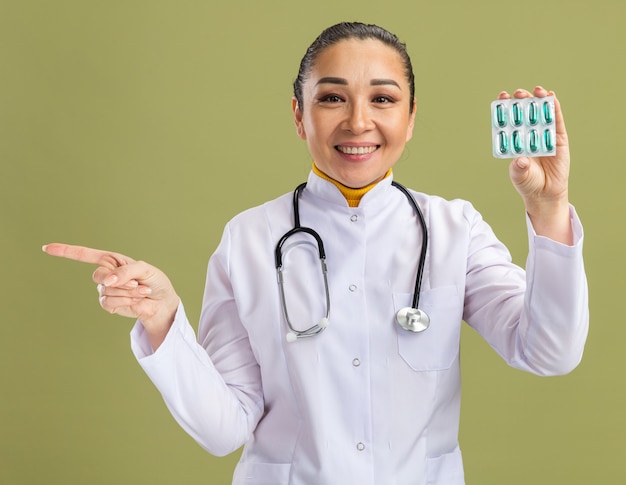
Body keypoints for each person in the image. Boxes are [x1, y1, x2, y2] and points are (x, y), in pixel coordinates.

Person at [43, 22, 588, 485]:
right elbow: (224, 429)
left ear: (412, 116)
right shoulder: (249, 238)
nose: (357, 122)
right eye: (331, 97)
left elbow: (548, 352)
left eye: (383, 98)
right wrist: (163, 319)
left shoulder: (454, 229)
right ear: (300, 115)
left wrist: (549, 209)